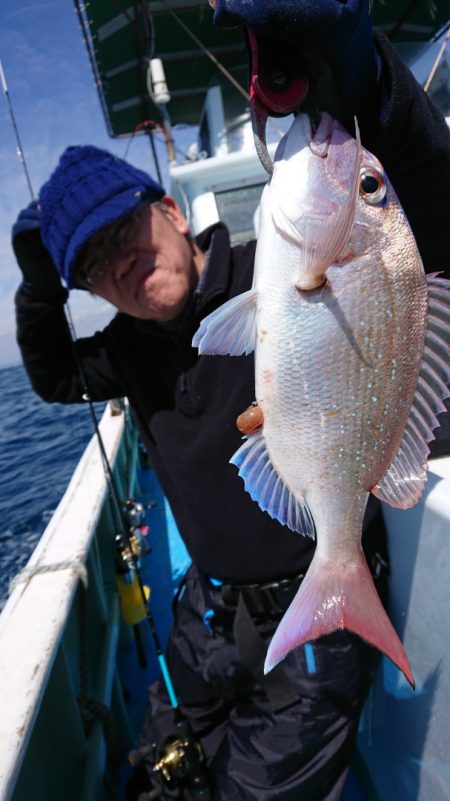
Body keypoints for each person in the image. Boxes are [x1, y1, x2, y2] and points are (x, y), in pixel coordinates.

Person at [11, 2, 450, 799]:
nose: (123, 264)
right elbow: (49, 376)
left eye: (124, 228)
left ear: (173, 209)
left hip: (311, 618)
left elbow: (417, 241)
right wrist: (40, 290)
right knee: (155, 778)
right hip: (204, 616)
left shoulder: (271, 272)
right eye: (95, 267)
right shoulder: (126, 350)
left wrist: (375, 84)